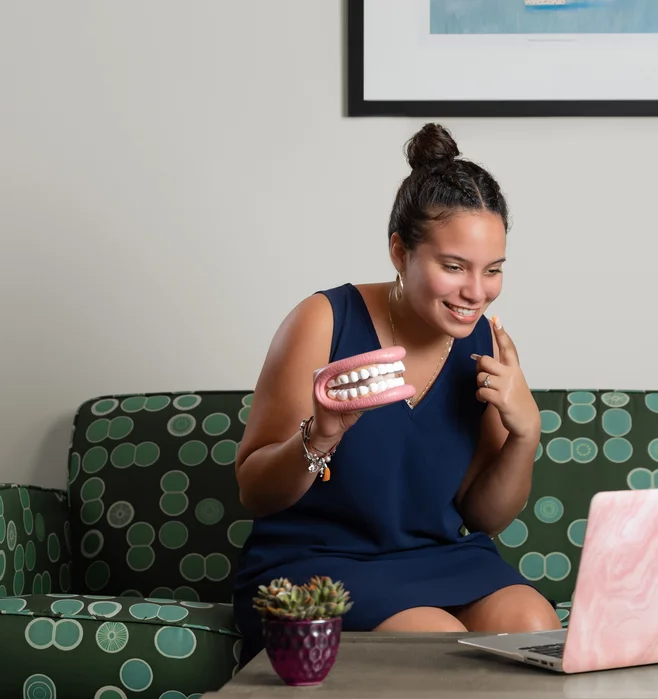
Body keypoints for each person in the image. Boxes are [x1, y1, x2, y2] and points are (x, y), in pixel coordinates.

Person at [230, 123, 562, 666]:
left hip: (438, 554)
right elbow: (254, 491)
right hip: (316, 561)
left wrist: (526, 433)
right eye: (453, 267)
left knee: (535, 624)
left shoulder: (484, 343)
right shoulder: (324, 321)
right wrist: (323, 433)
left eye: (493, 270)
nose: (476, 292)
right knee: (431, 640)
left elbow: (484, 517)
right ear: (398, 250)